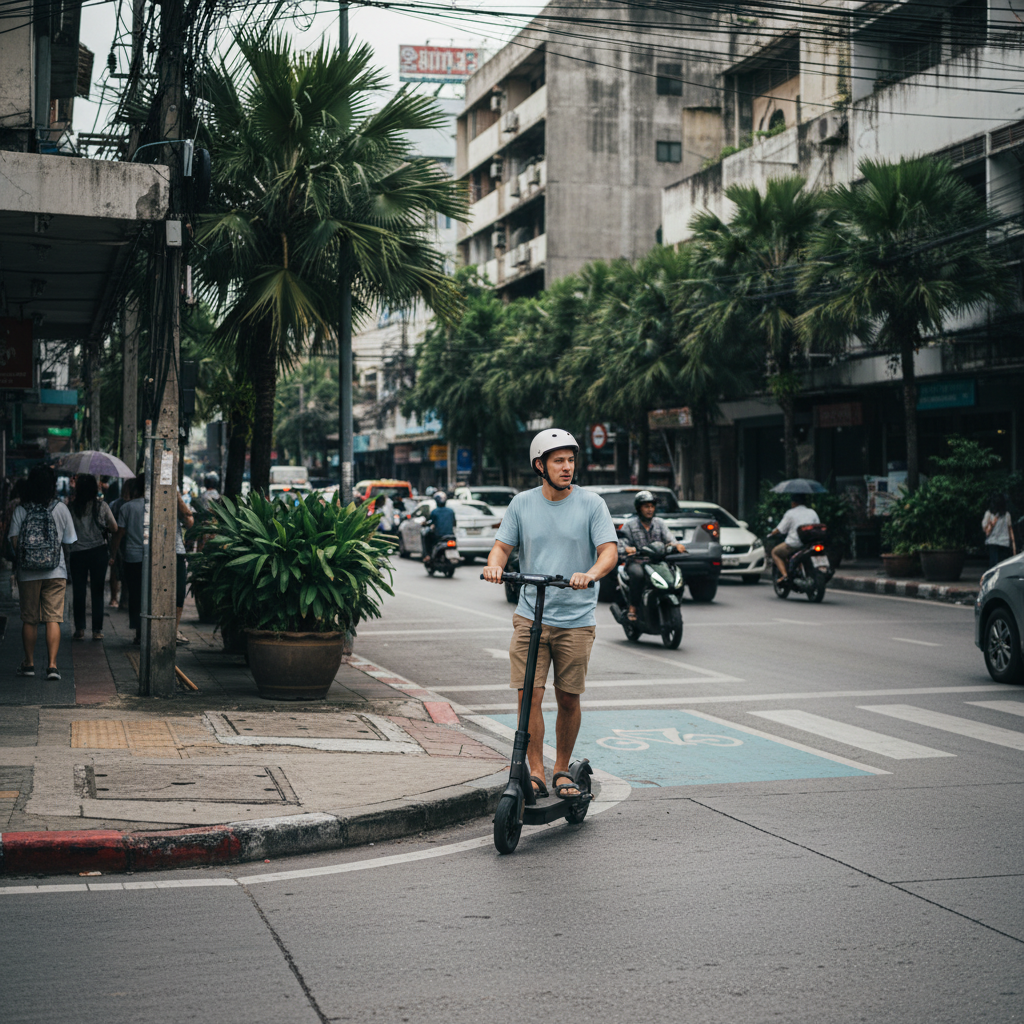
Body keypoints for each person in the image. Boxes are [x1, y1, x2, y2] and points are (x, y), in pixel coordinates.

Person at [482, 429, 617, 800]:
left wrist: (590, 573)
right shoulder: (521, 504)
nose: (567, 467)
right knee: (530, 696)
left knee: (568, 698)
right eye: (559, 460)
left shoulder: (592, 504)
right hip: (530, 615)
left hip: (576, 618)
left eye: (571, 460)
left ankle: (561, 769)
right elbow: (501, 547)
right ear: (539, 465)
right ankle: (537, 771)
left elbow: (608, 551)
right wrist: (496, 566)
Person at [6, 464, 77, 681]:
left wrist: (30, 558)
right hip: (56, 572)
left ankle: (29, 663)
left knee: (29, 619)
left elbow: (14, 542)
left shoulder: (20, 510)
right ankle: (52, 666)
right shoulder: (61, 508)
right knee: (53, 618)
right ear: (52, 486)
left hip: (28, 573)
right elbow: (69, 541)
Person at [618, 489, 687, 621]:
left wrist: (677, 545)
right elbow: (621, 544)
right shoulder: (629, 525)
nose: (650, 509)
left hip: (657, 562)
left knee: (676, 574)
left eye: (652, 506)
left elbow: (670, 539)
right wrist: (628, 549)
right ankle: (633, 607)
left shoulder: (659, 523)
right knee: (637, 575)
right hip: (637, 562)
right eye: (646, 506)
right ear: (639, 508)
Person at [67, 473, 118, 640]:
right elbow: (114, 527)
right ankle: (97, 630)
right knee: (97, 591)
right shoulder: (101, 506)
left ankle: (80, 629)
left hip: (77, 553)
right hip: (98, 552)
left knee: (79, 591)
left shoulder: (72, 507)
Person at [109, 478, 145, 645]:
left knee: (135, 594)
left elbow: (119, 533)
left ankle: (138, 631)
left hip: (132, 557)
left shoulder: (127, 507)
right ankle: (147, 630)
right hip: (151, 557)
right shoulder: (156, 506)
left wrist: (113, 554)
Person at [766, 494, 820, 581]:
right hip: (810, 544)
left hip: (794, 544)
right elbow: (817, 525)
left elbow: (781, 529)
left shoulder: (790, 513)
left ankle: (785, 576)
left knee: (775, 552)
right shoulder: (812, 512)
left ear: (794, 503)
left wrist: (772, 533)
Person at [175, 491, 194, 644]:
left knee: (179, 592)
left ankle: (173, 629)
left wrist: (177, 497)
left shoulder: (176, 502)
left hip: (176, 551)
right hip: (153, 551)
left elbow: (189, 519)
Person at [982, 493, 1017, 568]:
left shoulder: (989, 514)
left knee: (994, 565)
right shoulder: (1006, 515)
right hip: (1004, 543)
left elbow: (986, 531)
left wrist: (991, 524)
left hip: (993, 542)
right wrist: (1014, 546)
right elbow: (1010, 531)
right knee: (1002, 566)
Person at [421, 490, 456, 563]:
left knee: (426, 537)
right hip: (451, 535)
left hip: (439, 535)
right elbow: (454, 523)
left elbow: (431, 523)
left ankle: (427, 555)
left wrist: (425, 524)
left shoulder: (435, 511)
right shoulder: (451, 511)